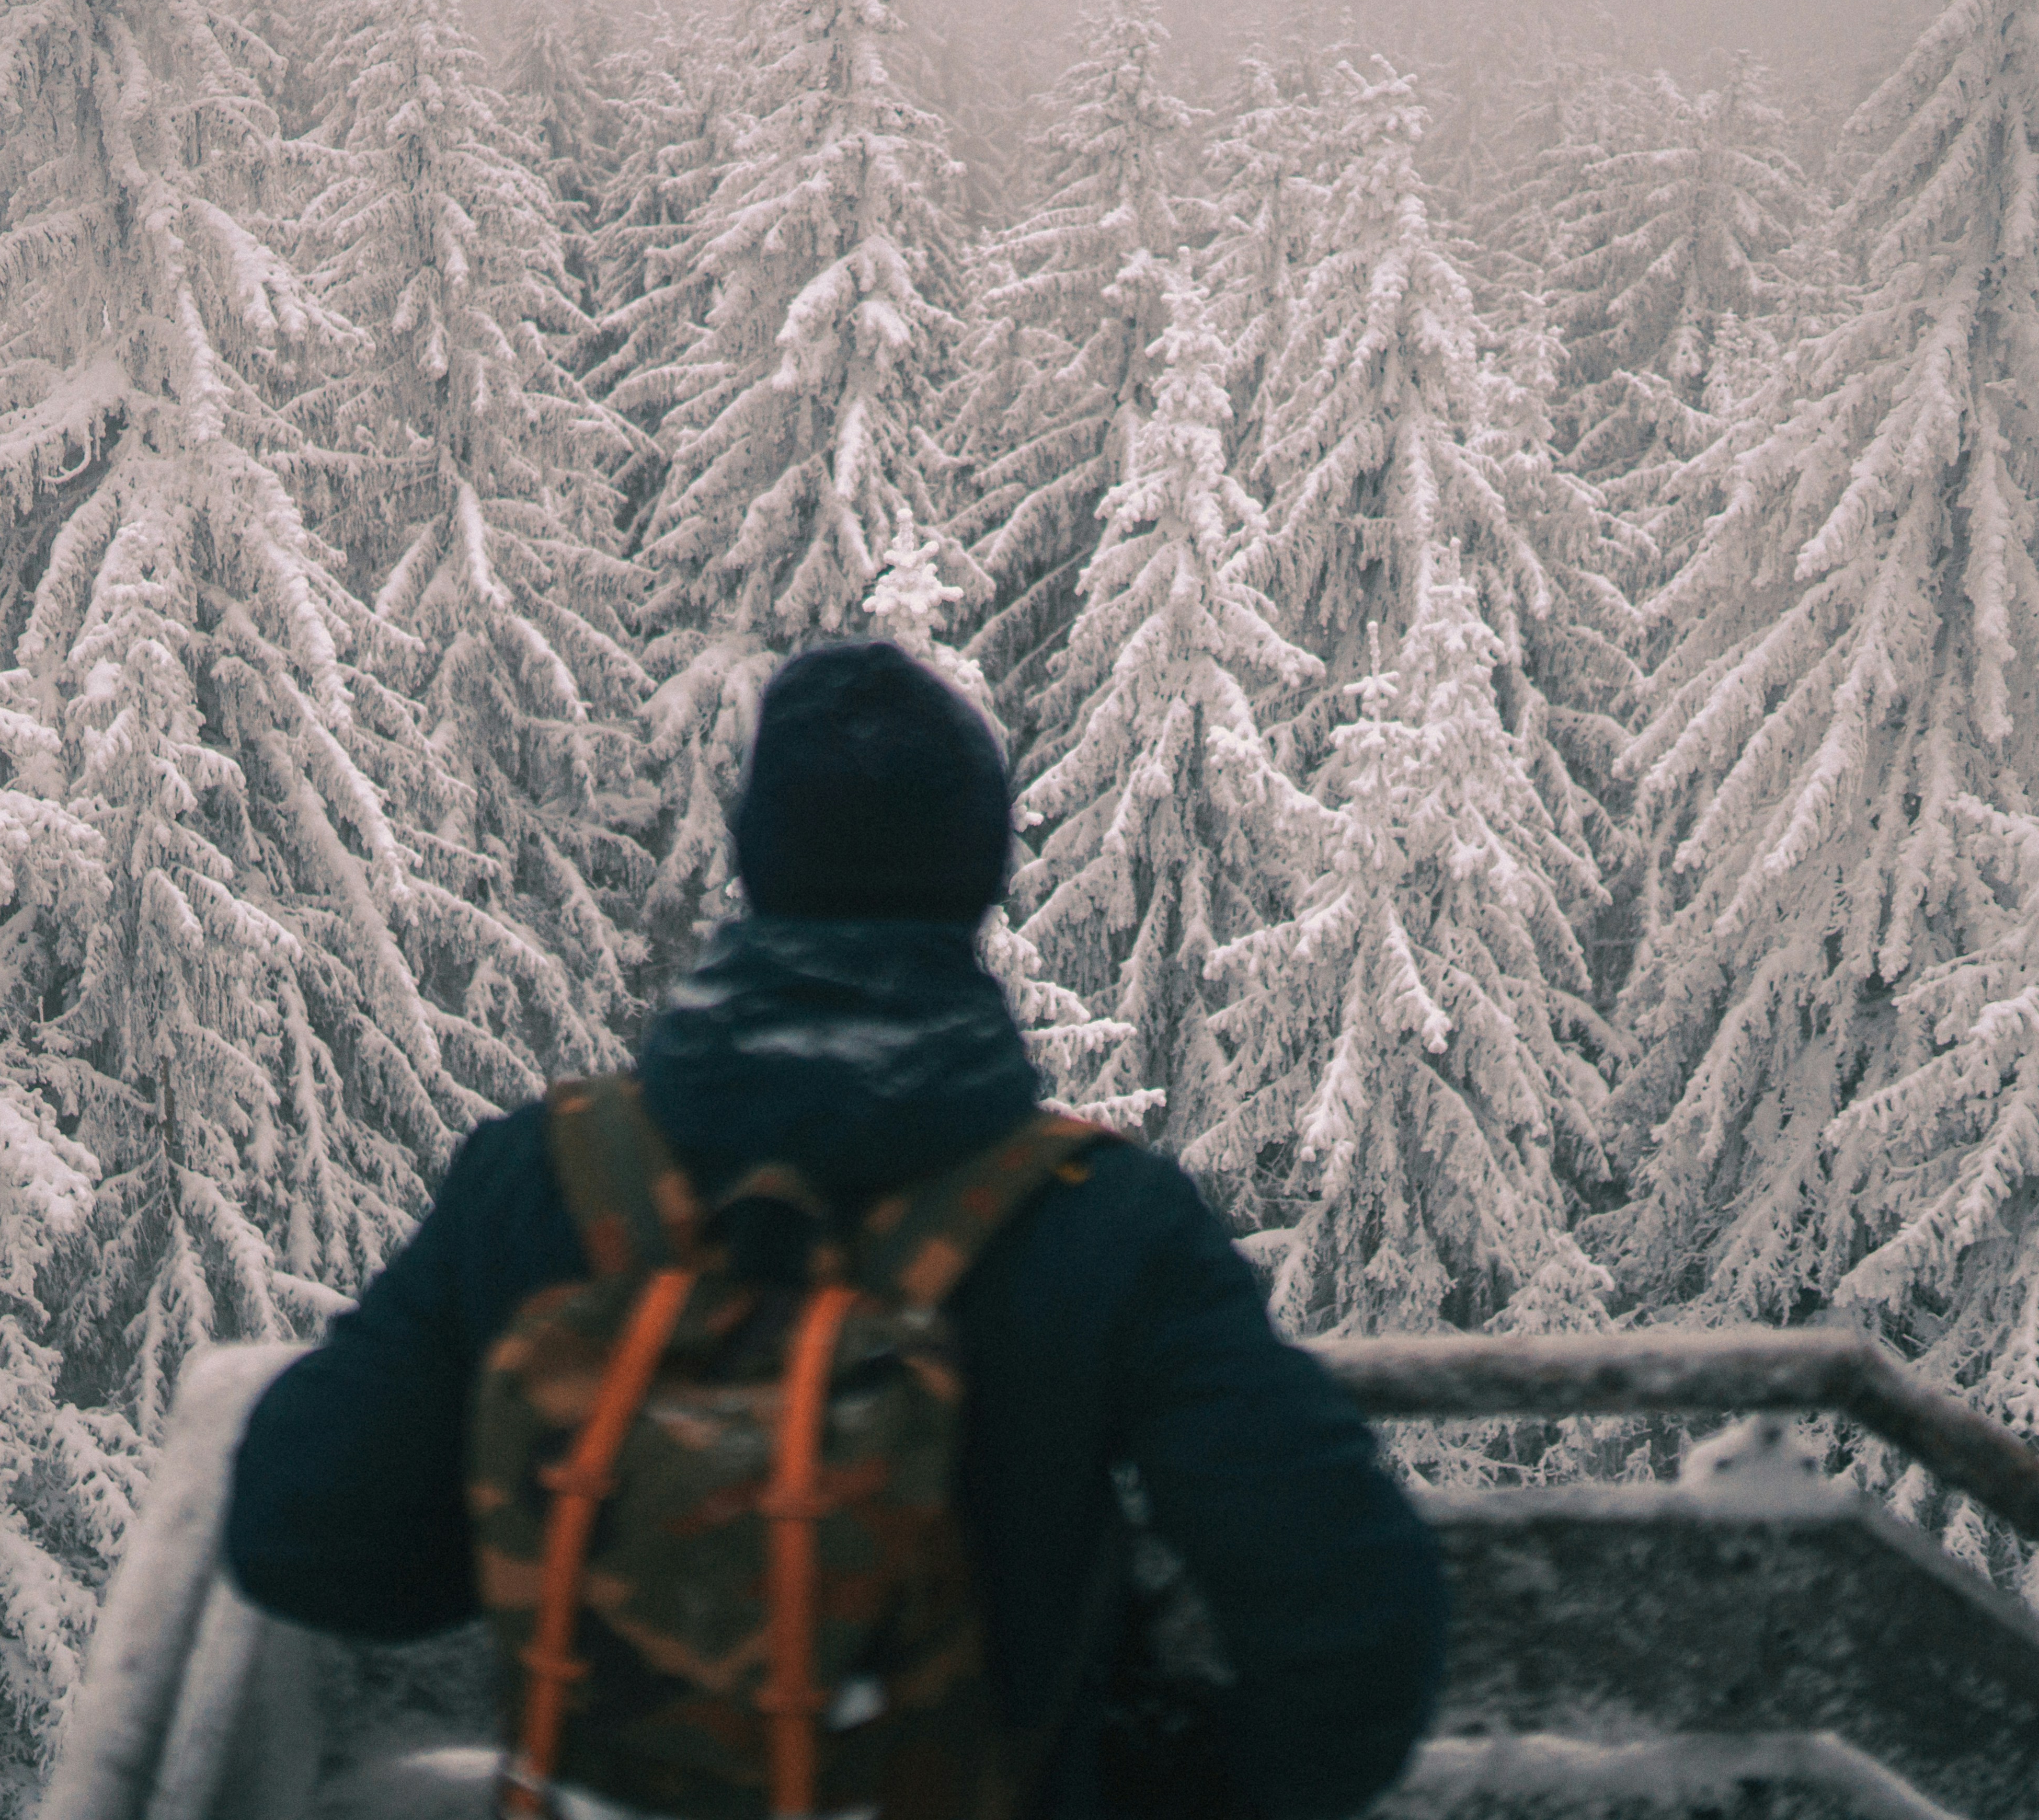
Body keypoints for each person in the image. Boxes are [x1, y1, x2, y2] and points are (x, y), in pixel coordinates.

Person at [225, 640, 1449, 1820]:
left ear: (756, 869)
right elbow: (1354, 1628)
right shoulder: (1107, 1226)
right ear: (979, 879)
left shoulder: (539, 1179)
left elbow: (299, 1529)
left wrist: (585, 1548)